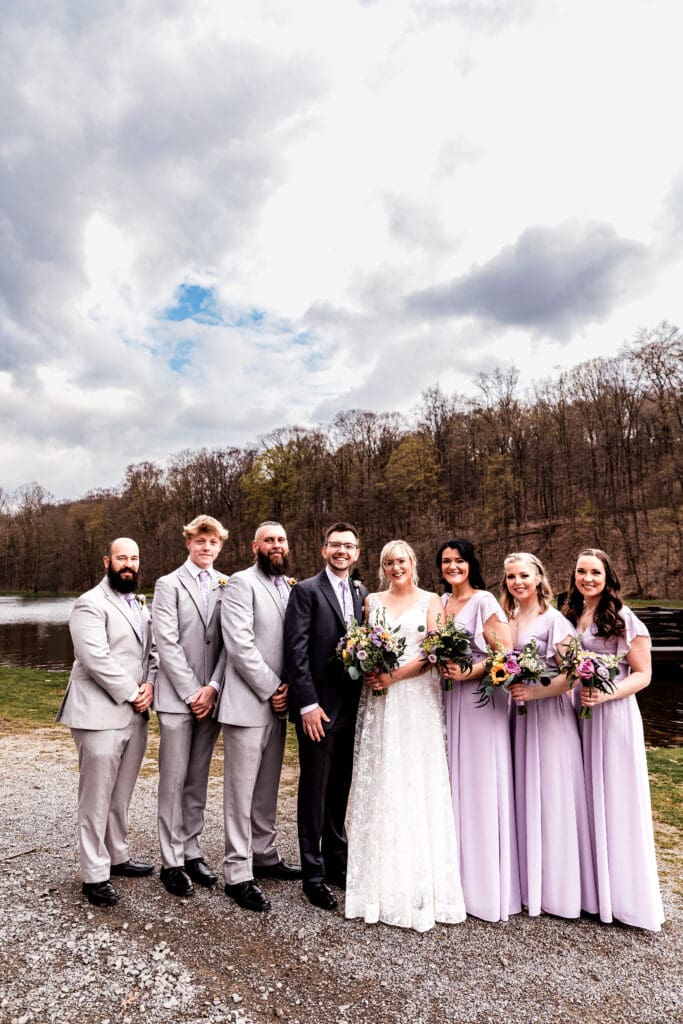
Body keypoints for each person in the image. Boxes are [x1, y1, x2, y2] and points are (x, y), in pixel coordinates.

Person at [345, 541, 466, 931]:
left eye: (401, 561)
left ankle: (419, 884)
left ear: (412, 563)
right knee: (383, 778)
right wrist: (367, 667)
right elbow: (362, 645)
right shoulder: (372, 601)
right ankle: (376, 883)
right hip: (380, 700)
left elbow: (434, 652)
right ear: (382, 567)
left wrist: (393, 675)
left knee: (416, 778)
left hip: (415, 699)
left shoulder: (433, 601)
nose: (395, 567)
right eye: (388, 562)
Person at [562, 548, 664, 931]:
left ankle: (623, 897)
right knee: (587, 797)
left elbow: (642, 675)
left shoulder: (622, 617)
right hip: (579, 714)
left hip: (613, 715)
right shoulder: (572, 615)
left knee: (615, 798)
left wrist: (606, 694)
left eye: (595, 572)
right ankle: (592, 891)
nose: (587, 578)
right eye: (581, 571)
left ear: (608, 576)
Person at [56, 538, 157, 907]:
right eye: (121, 558)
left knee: (121, 793)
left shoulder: (139, 603)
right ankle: (94, 874)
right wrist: (133, 691)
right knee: (96, 797)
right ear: (107, 561)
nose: (128, 564)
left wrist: (149, 686)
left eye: (134, 558)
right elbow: (94, 657)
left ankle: (118, 855)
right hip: (98, 714)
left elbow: (153, 652)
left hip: (136, 712)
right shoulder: (89, 603)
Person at [502, 552, 597, 919]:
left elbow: (574, 673)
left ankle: (559, 890)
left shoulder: (553, 620)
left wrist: (537, 692)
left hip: (551, 717)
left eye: (523, 575)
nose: (517, 583)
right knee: (527, 793)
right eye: (511, 577)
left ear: (539, 577)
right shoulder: (510, 617)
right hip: (521, 718)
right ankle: (529, 883)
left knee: (552, 795)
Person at [218, 521, 302, 913]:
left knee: (267, 785)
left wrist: (288, 689)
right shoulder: (239, 583)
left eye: (281, 540)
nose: (276, 545)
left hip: (278, 705)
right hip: (249, 703)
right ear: (255, 545)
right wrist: (273, 688)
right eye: (269, 540)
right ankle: (237, 871)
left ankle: (264, 854)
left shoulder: (286, 587)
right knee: (241, 790)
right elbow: (239, 645)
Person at [437, 538, 521, 922]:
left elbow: (507, 657)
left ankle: (486, 887)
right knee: (452, 785)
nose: (453, 567)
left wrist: (468, 671)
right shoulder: (439, 603)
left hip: (480, 702)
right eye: (446, 561)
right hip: (448, 700)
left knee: (480, 785)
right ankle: (453, 879)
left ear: (471, 564)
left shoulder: (484, 601)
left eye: (459, 561)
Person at [284, 522, 367, 911]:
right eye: (335, 545)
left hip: (352, 709)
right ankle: (312, 874)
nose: (341, 552)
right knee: (314, 792)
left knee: (339, 791)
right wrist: (306, 705)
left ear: (357, 552)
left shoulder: (361, 592)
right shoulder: (305, 591)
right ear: (323, 550)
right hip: (318, 710)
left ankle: (337, 863)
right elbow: (295, 652)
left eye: (348, 546)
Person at [152, 515, 228, 898]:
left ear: (220, 546)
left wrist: (213, 687)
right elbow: (165, 643)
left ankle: (192, 850)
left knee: (198, 778)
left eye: (213, 542)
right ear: (188, 543)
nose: (206, 548)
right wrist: (191, 692)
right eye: (200, 541)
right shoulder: (168, 584)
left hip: (211, 698)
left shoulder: (226, 584)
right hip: (178, 700)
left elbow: (229, 643)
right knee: (174, 778)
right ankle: (171, 860)